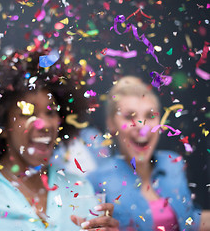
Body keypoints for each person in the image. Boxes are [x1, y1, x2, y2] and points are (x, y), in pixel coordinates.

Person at [0, 49, 119, 231]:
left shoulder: (80, 189)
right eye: (27, 113)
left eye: (51, 112)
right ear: (1, 126)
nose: (44, 124)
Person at [87, 76, 210, 230]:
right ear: (111, 124)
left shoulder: (173, 163)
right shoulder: (96, 181)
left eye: (150, 116)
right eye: (129, 116)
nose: (142, 127)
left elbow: (192, 220)